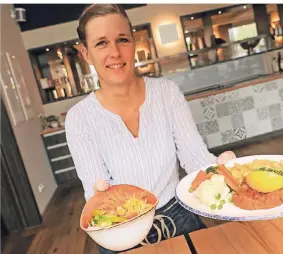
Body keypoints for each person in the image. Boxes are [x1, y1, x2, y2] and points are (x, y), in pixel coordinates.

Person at [65, 4, 236, 254]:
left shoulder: (167, 93)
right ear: (86, 54)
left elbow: (193, 156)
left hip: (179, 216)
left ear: (133, 43)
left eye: (122, 39)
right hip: (120, 231)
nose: (115, 52)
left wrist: (221, 174)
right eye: (101, 43)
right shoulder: (79, 118)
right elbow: (99, 191)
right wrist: (101, 196)